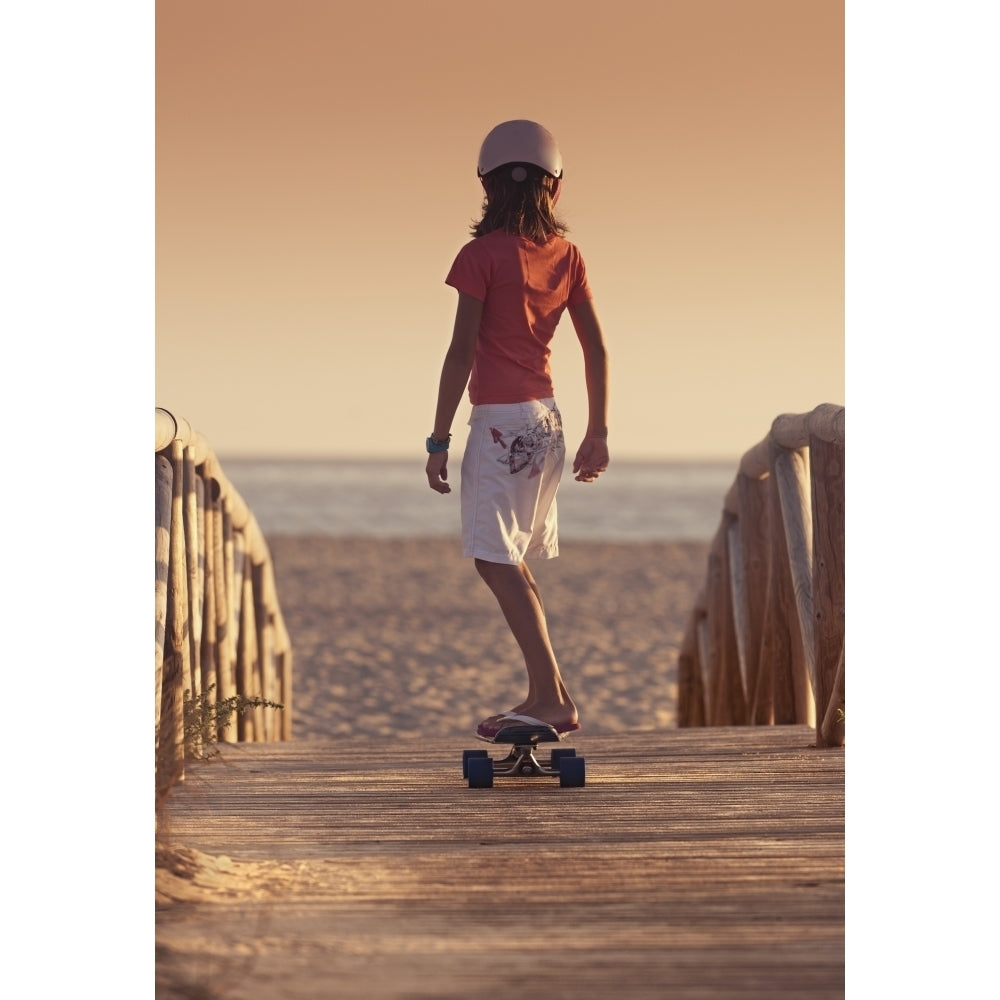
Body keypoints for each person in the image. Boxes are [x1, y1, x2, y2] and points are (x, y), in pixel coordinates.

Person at [425, 119, 610, 742]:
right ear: (553, 189)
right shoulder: (569, 255)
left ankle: (552, 697)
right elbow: (596, 350)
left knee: (493, 559)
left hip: (501, 423)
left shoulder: (479, 256)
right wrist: (599, 431)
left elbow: (459, 352)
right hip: (548, 423)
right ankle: (548, 693)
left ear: (486, 187)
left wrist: (438, 439)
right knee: (511, 561)